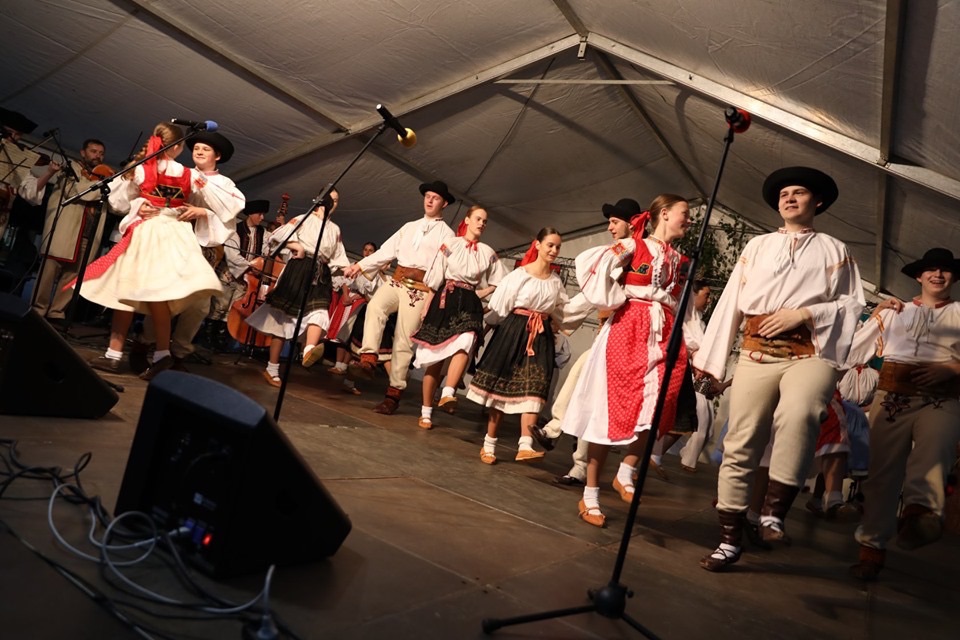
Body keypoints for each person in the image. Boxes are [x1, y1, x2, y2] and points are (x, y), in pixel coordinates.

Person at [694, 166, 864, 571]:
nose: (789, 198)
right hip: (756, 351)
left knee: (801, 413)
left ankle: (773, 513)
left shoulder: (835, 249)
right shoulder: (758, 246)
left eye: (799, 192)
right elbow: (731, 302)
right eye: (784, 193)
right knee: (741, 439)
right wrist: (712, 363)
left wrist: (805, 313)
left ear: (817, 201)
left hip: (810, 352)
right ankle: (730, 541)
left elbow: (851, 303)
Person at [561, 194, 693, 527]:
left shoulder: (682, 260)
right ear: (665, 214)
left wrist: (699, 351)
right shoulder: (634, 246)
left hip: (664, 333)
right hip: (629, 328)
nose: (689, 219)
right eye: (685, 213)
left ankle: (626, 470)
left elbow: (687, 309)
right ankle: (590, 495)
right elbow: (592, 264)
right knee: (608, 411)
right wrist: (616, 298)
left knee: (658, 404)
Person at [77, 122, 227, 379]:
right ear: (177, 147)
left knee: (124, 291)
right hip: (174, 235)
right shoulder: (190, 175)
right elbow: (221, 205)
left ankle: (114, 355)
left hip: (145, 233)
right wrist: (194, 210)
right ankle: (162, 355)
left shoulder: (140, 169)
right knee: (159, 295)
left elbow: (118, 202)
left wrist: (139, 205)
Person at [847, 248, 960, 580]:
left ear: (954, 277)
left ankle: (919, 518)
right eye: (931, 270)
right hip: (893, 395)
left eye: (945, 270)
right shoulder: (896, 311)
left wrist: (952, 368)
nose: (937, 275)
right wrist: (876, 313)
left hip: (942, 397)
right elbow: (852, 352)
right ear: (918, 276)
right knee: (882, 473)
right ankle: (871, 550)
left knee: (934, 454)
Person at [538, 198, 643, 486]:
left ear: (631, 224)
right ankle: (574, 459)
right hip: (608, 337)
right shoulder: (620, 254)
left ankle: (556, 433)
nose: (609, 227)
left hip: (627, 340)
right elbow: (590, 295)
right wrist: (554, 312)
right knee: (589, 394)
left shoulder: (636, 254)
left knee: (588, 390)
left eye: (615, 222)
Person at [133, 130, 244, 370]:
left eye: (206, 149)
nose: (199, 152)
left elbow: (230, 217)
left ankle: (179, 353)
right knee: (165, 296)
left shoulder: (226, 184)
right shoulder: (180, 173)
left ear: (217, 156)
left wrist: (203, 212)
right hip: (174, 241)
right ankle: (145, 343)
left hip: (202, 248)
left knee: (199, 305)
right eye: (196, 148)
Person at [342, 181, 456, 414]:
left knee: (403, 342)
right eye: (427, 196)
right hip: (397, 280)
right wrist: (359, 266)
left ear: (444, 203)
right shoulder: (409, 227)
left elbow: (443, 268)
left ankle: (393, 395)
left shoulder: (447, 234)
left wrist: (432, 297)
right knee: (375, 306)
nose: (429, 200)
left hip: (420, 289)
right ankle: (368, 358)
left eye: (435, 197)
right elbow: (386, 252)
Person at [467, 227, 572, 464]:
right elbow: (500, 305)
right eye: (550, 245)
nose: (554, 250)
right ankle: (489, 445)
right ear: (538, 244)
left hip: (541, 335)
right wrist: (487, 329)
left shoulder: (555, 281)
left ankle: (525, 445)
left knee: (535, 386)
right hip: (515, 330)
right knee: (502, 388)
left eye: (557, 247)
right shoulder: (520, 275)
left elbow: (563, 310)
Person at [411, 205, 507, 429]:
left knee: (467, 340)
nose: (482, 223)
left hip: (469, 301)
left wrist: (483, 293)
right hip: (447, 298)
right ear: (468, 220)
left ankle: (448, 392)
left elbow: (502, 281)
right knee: (436, 357)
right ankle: (426, 412)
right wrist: (427, 305)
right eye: (478, 219)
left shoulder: (487, 252)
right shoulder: (451, 244)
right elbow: (435, 277)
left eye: (485, 221)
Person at [244, 193, 347, 387]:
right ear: (320, 198)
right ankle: (272, 369)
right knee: (284, 318)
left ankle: (308, 350)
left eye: (336, 200)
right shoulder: (303, 218)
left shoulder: (335, 229)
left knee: (320, 311)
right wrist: (296, 245)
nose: (333, 203)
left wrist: (351, 269)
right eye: (330, 198)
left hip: (320, 272)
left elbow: (339, 258)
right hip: (299, 268)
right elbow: (276, 236)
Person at [19, 138, 111, 320]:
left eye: (101, 153)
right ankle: (38, 309)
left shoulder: (104, 175)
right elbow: (76, 191)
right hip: (65, 229)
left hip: (88, 234)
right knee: (49, 271)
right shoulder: (72, 169)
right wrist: (104, 185)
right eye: (93, 151)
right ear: (83, 152)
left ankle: (57, 312)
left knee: (73, 276)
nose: (97, 156)